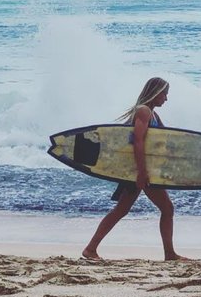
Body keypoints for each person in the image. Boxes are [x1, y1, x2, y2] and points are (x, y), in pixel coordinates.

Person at [81, 77, 189, 262]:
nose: (166, 98)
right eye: (164, 94)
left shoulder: (153, 115)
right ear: (155, 92)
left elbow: (164, 140)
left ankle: (91, 249)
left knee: (123, 209)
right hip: (138, 170)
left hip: (142, 170)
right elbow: (137, 141)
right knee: (166, 208)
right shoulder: (143, 111)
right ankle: (169, 254)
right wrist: (141, 172)